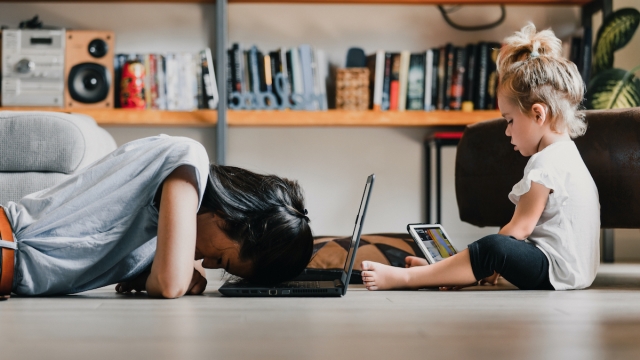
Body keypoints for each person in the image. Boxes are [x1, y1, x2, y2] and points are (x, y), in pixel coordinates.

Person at [361, 23, 600, 291]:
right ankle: (445, 270)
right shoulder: (570, 156)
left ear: (537, 114)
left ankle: (407, 278)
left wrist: (490, 258)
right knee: (494, 248)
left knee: (493, 246)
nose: (507, 132)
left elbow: (519, 230)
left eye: (509, 121)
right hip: (576, 271)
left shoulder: (544, 164)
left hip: (555, 271)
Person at [0, 134, 313, 299]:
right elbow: (167, 284)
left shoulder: (159, 227)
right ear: (232, 218)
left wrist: (145, 268)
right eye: (223, 260)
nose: (208, 265)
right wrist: (175, 270)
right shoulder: (188, 161)